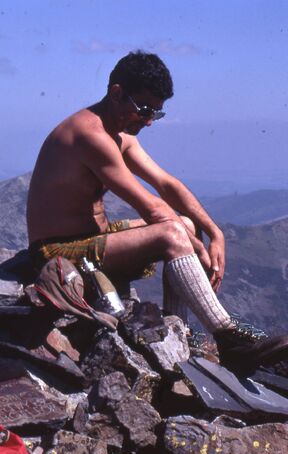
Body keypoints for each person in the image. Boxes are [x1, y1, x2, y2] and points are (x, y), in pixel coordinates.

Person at [25, 50, 288, 375]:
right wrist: (196, 247)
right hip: (56, 254)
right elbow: (150, 206)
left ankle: (180, 334)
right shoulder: (90, 136)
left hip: (92, 242)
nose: (149, 121)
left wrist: (214, 232)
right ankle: (229, 339)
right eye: (144, 109)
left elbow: (166, 184)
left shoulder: (118, 134)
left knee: (185, 223)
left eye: (156, 113)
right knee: (172, 232)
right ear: (116, 92)